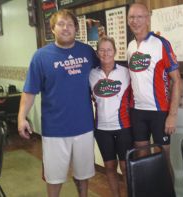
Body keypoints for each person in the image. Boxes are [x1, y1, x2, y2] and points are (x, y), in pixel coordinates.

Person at [17, 9, 99, 197]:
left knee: (83, 174)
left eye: (70, 24)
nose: (65, 28)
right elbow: (29, 91)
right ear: (52, 28)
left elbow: (100, 77)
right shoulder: (41, 57)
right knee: (54, 177)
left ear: (76, 29)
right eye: (61, 24)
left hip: (84, 126)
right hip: (55, 129)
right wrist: (22, 117)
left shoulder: (87, 51)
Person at [126, 3, 183, 170]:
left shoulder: (161, 43)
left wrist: (172, 115)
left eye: (139, 17)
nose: (135, 21)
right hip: (137, 112)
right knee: (141, 160)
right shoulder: (130, 47)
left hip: (160, 113)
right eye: (131, 17)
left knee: (163, 161)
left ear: (148, 19)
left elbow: (177, 80)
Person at [89, 36, 132, 197]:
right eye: (102, 50)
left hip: (124, 127)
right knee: (109, 167)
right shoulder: (91, 75)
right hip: (101, 129)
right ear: (97, 52)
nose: (105, 53)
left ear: (115, 51)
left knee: (126, 167)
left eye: (109, 49)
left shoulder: (126, 73)